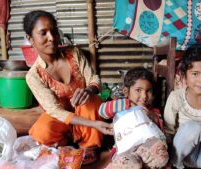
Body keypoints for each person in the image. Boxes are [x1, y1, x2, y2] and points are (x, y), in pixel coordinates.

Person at [23, 10, 113, 164]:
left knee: (88, 102)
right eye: (43, 33)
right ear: (30, 39)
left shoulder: (74, 54)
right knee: (41, 131)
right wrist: (94, 124)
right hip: (66, 119)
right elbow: (54, 111)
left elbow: (93, 78)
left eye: (54, 32)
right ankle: (69, 143)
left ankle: (89, 147)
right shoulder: (34, 75)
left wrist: (89, 90)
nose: (51, 38)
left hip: (87, 113)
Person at [99, 67, 169, 169]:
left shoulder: (153, 111)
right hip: (125, 150)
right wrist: (128, 104)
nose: (144, 96)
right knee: (132, 163)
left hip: (146, 150)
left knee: (161, 156)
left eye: (148, 91)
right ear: (126, 91)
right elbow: (102, 111)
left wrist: (154, 117)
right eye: (138, 90)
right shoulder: (120, 107)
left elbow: (160, 133)